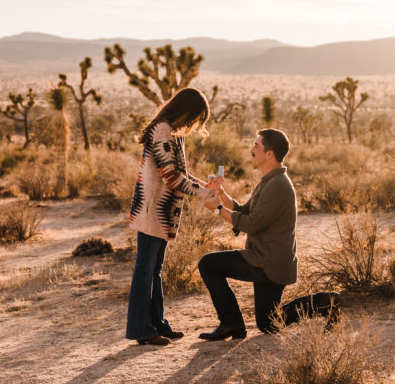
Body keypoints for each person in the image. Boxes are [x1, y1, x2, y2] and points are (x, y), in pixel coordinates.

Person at [198, 128, 340, 340]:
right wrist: (222, 195)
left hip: (267, 261)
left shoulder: (278, 185)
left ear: (270, 154)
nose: (251, 150)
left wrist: (218, 209)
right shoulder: (271, 181)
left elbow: (252, 223)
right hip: (268, 259)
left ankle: (231, 323)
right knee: (269, 323)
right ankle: (326, 302)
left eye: (256, 146)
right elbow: (246, 211)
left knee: (208, 264)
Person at [126, 87, 220, 346]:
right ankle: (141, 330)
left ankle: (157, 324)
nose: (193, 123)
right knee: (145, 270)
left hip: (162, 210)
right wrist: (203, 193)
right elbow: (170, 175)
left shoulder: (172, 132)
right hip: (152, 209)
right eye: (195, 116)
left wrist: (207, 186)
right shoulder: (162, 130)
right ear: (185, 109)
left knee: (154, 270)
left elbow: (183, 174)